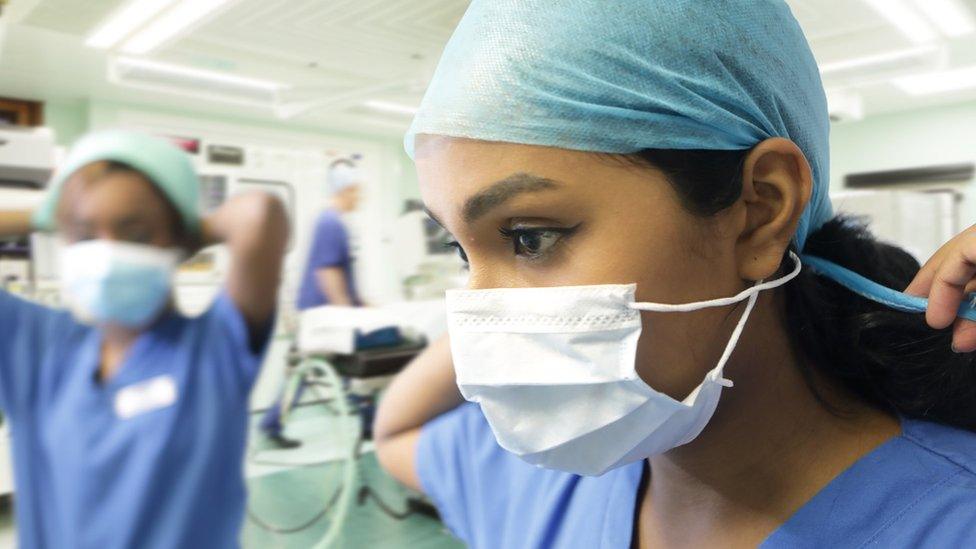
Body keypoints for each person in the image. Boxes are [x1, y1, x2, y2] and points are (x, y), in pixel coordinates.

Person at [373, 1, 976, 547]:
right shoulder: (537, 474)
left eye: (530, 236)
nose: (482, 313)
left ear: (760, 210)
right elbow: (395, 431)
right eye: (459, 250)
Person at [0, 130, 288, 548]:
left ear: (179, 239)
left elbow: (260, 216)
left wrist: (190, 228)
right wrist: (49, 212)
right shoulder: (36, 347)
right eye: (85, 235)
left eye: (134, 235)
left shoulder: (212, 349)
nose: (107, 253)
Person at [258, 158, 363, 448]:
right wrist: (345, 312)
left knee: (319, 368)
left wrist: (362, 302)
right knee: (310, 369)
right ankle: (272, 424)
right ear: (346, 190)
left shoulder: (336, 223)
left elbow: (343, 271)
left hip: (327, 309)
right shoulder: (330, 223)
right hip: (322, 312)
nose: (360, 197)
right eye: (357, 191)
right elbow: (327, 271)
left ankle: (365, 417)